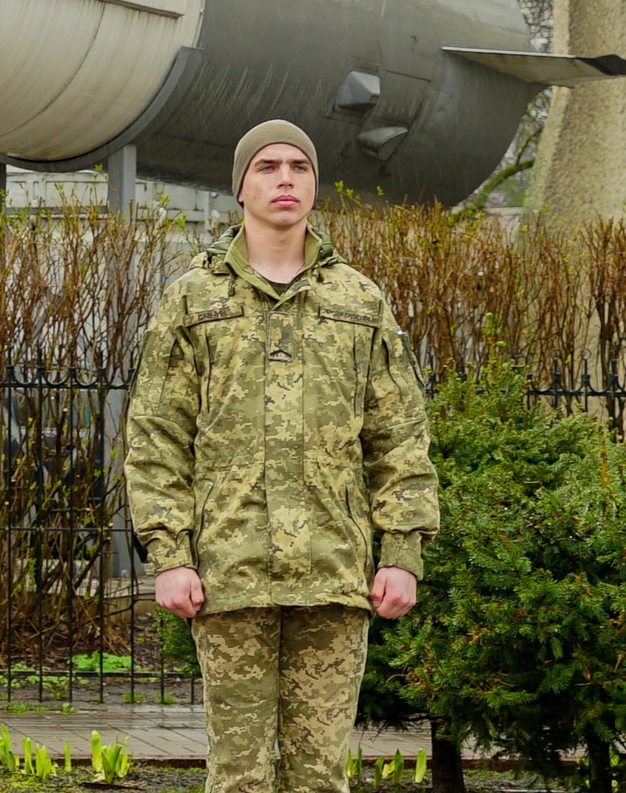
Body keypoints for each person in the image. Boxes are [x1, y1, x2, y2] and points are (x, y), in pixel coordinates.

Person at [126, 120, 438, 793]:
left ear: (315, 185)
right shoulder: (193, 300)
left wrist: (402, 553)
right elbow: (156, 437)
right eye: (267, 166)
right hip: (231, 569)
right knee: (238, 775)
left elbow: (399, 435)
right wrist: (170, 554)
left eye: (300, 166)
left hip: (333, 571)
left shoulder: (358, 301)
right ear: (241, 187)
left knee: (321, 776)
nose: (286, 178)